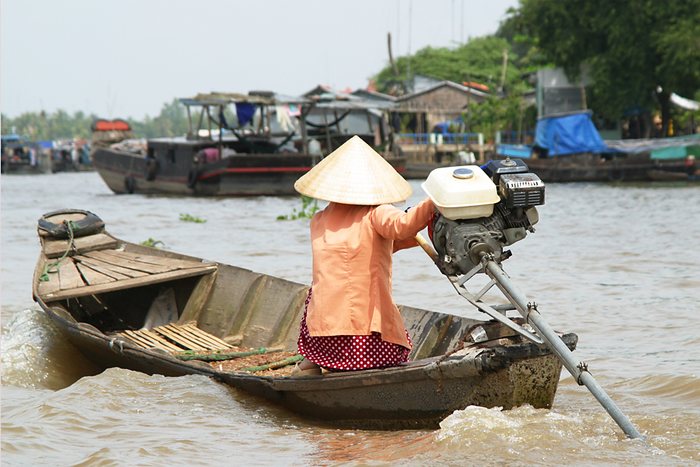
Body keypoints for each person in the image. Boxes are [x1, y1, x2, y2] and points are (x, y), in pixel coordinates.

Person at [292, 135, 435, 376]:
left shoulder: (320, 219)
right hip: (359, 330)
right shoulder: (377, 213)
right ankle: (353, 368)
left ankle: (311, 363)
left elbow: (356, 248)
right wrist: (434, 203)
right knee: (387, 344)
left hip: (322, 327)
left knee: (321, 299)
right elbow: (403, 226)